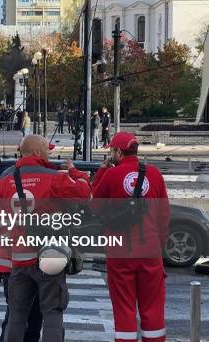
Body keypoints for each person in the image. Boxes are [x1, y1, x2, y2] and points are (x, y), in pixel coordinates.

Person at [0, 135, 91, 342]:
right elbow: (84, 194)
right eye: (48, 149)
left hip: (19, 259)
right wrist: (76, 171)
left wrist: (4, 260)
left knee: (17, 316)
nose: (50, 153)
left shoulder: (4, 181)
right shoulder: (55, 177)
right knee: (52, 313)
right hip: (51, 256)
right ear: (37, 152)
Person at [92, 132, 170, 342]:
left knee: (124, 307)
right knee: (153, 308)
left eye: (111, 150)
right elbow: (164, 215)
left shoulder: (111, 175)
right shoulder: (154, 174)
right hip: (150, 250)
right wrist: (158, 244)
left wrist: (102, 170)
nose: (110, 154)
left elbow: (95, 205)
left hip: (120, 252)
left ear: (118, 152)